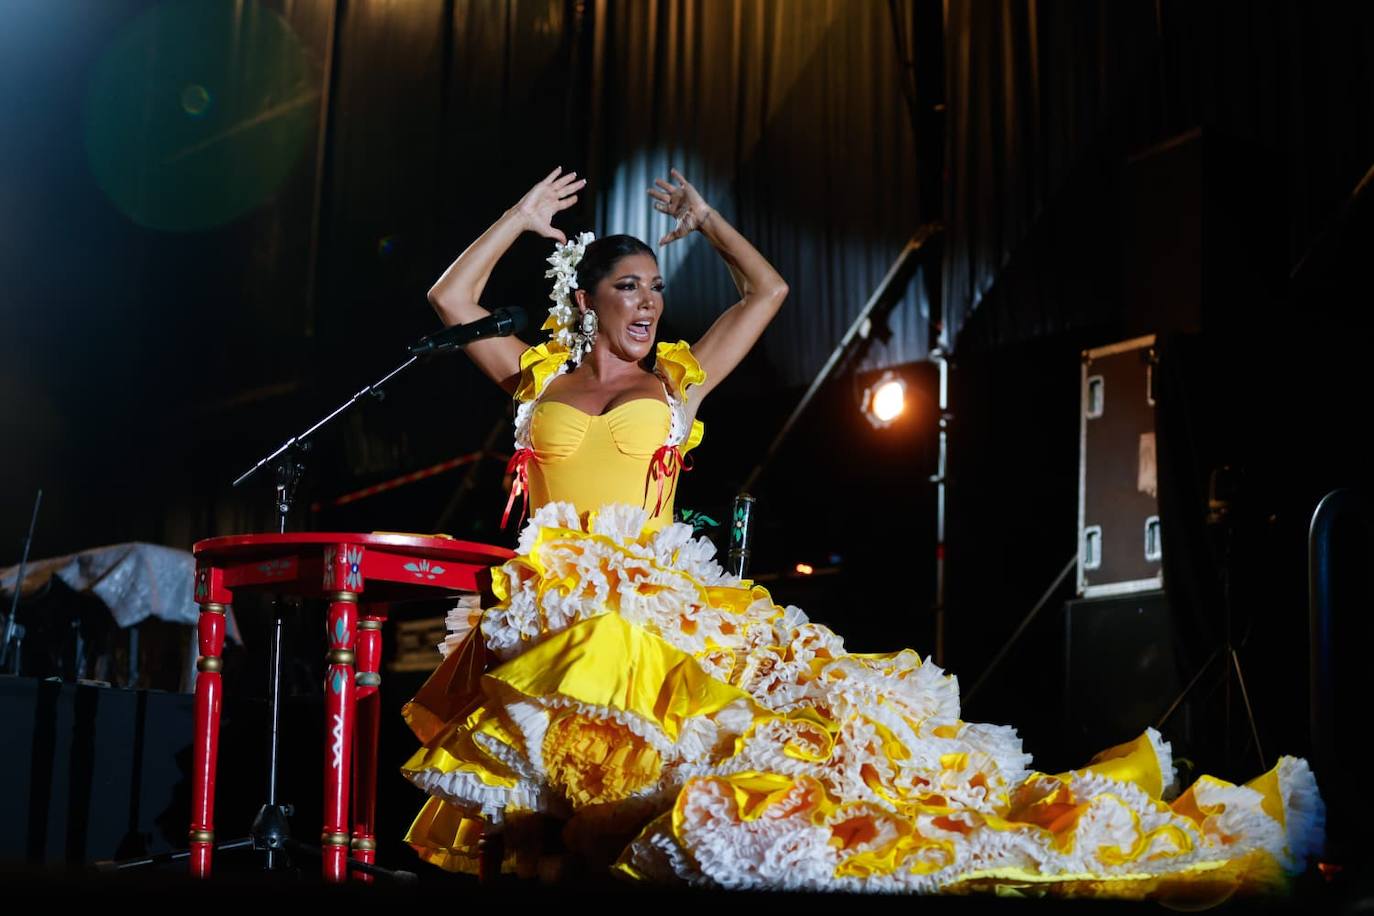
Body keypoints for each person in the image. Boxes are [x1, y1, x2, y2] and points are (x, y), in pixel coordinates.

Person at [400, 167, 1324, 896]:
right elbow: (450, 300)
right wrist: (520, 217)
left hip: (651, 605)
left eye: (654, 289)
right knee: (552, 792)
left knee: (701, 772)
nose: (647, 304)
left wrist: (711, 223)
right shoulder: (540, 376)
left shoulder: (679, 379)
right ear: (591, 297)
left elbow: (768, 290)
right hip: (552, 604)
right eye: (629, 287)